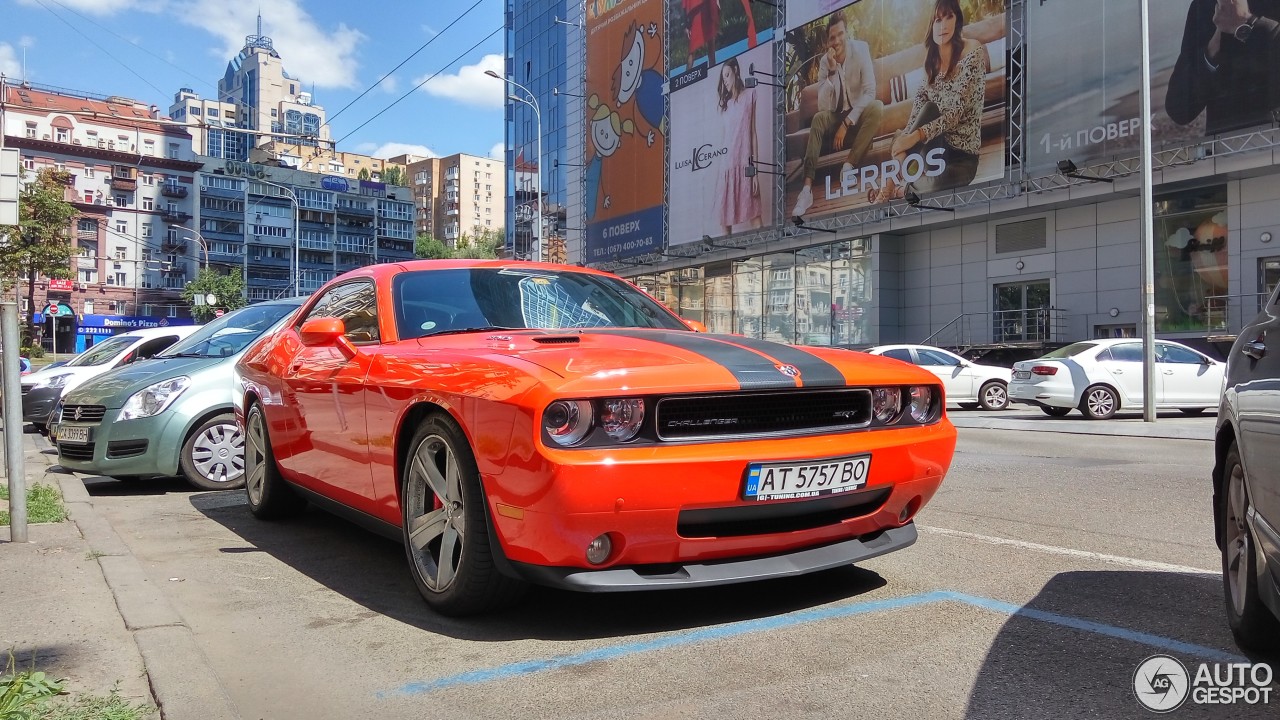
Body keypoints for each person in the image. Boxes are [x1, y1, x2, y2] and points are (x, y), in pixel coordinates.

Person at [871, 0, 988, 203]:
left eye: (949, 17)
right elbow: (917, 114)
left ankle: (901, 190)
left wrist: (913, 137)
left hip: (962, 159)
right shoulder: (931, 66)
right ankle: (888, 188)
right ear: (930, 27)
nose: (943, 26)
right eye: (937, 20)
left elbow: (954, 114)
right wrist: (902, 144)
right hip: (933, 151)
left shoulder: (972, 51)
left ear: (957, 19)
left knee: (933, 185)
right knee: (927, 110)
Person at [792, 12, 884, 218]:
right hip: (835, 114)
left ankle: (849, 166)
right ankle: (806, 190)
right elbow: (824, 106)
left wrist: (847, 123)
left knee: (877, 107)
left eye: (840, 34)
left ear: (847, 33)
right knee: (818, 119)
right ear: (827, 42)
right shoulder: (826, 62)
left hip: (857, 114)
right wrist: (833, 72)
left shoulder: (861, 50)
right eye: (832, 37)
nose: (837, 40)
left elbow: (870, 91)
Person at [1166, 0, 1280, 135]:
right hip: (1225, 149)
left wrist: (1248, 22)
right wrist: (1213, 49)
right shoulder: (1204, 5)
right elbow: (1179, 109)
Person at [714, 58, 763, 234]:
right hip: (726, 167)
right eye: (723, 77)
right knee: (724, 222)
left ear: (735, 70)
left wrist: (755, 171)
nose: (725, 80)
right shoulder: (725, 105)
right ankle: (727, 261)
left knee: (756, 218)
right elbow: (724, 138)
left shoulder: (750, 95)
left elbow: (753, 133)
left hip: (745, 167)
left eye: (727, 75)